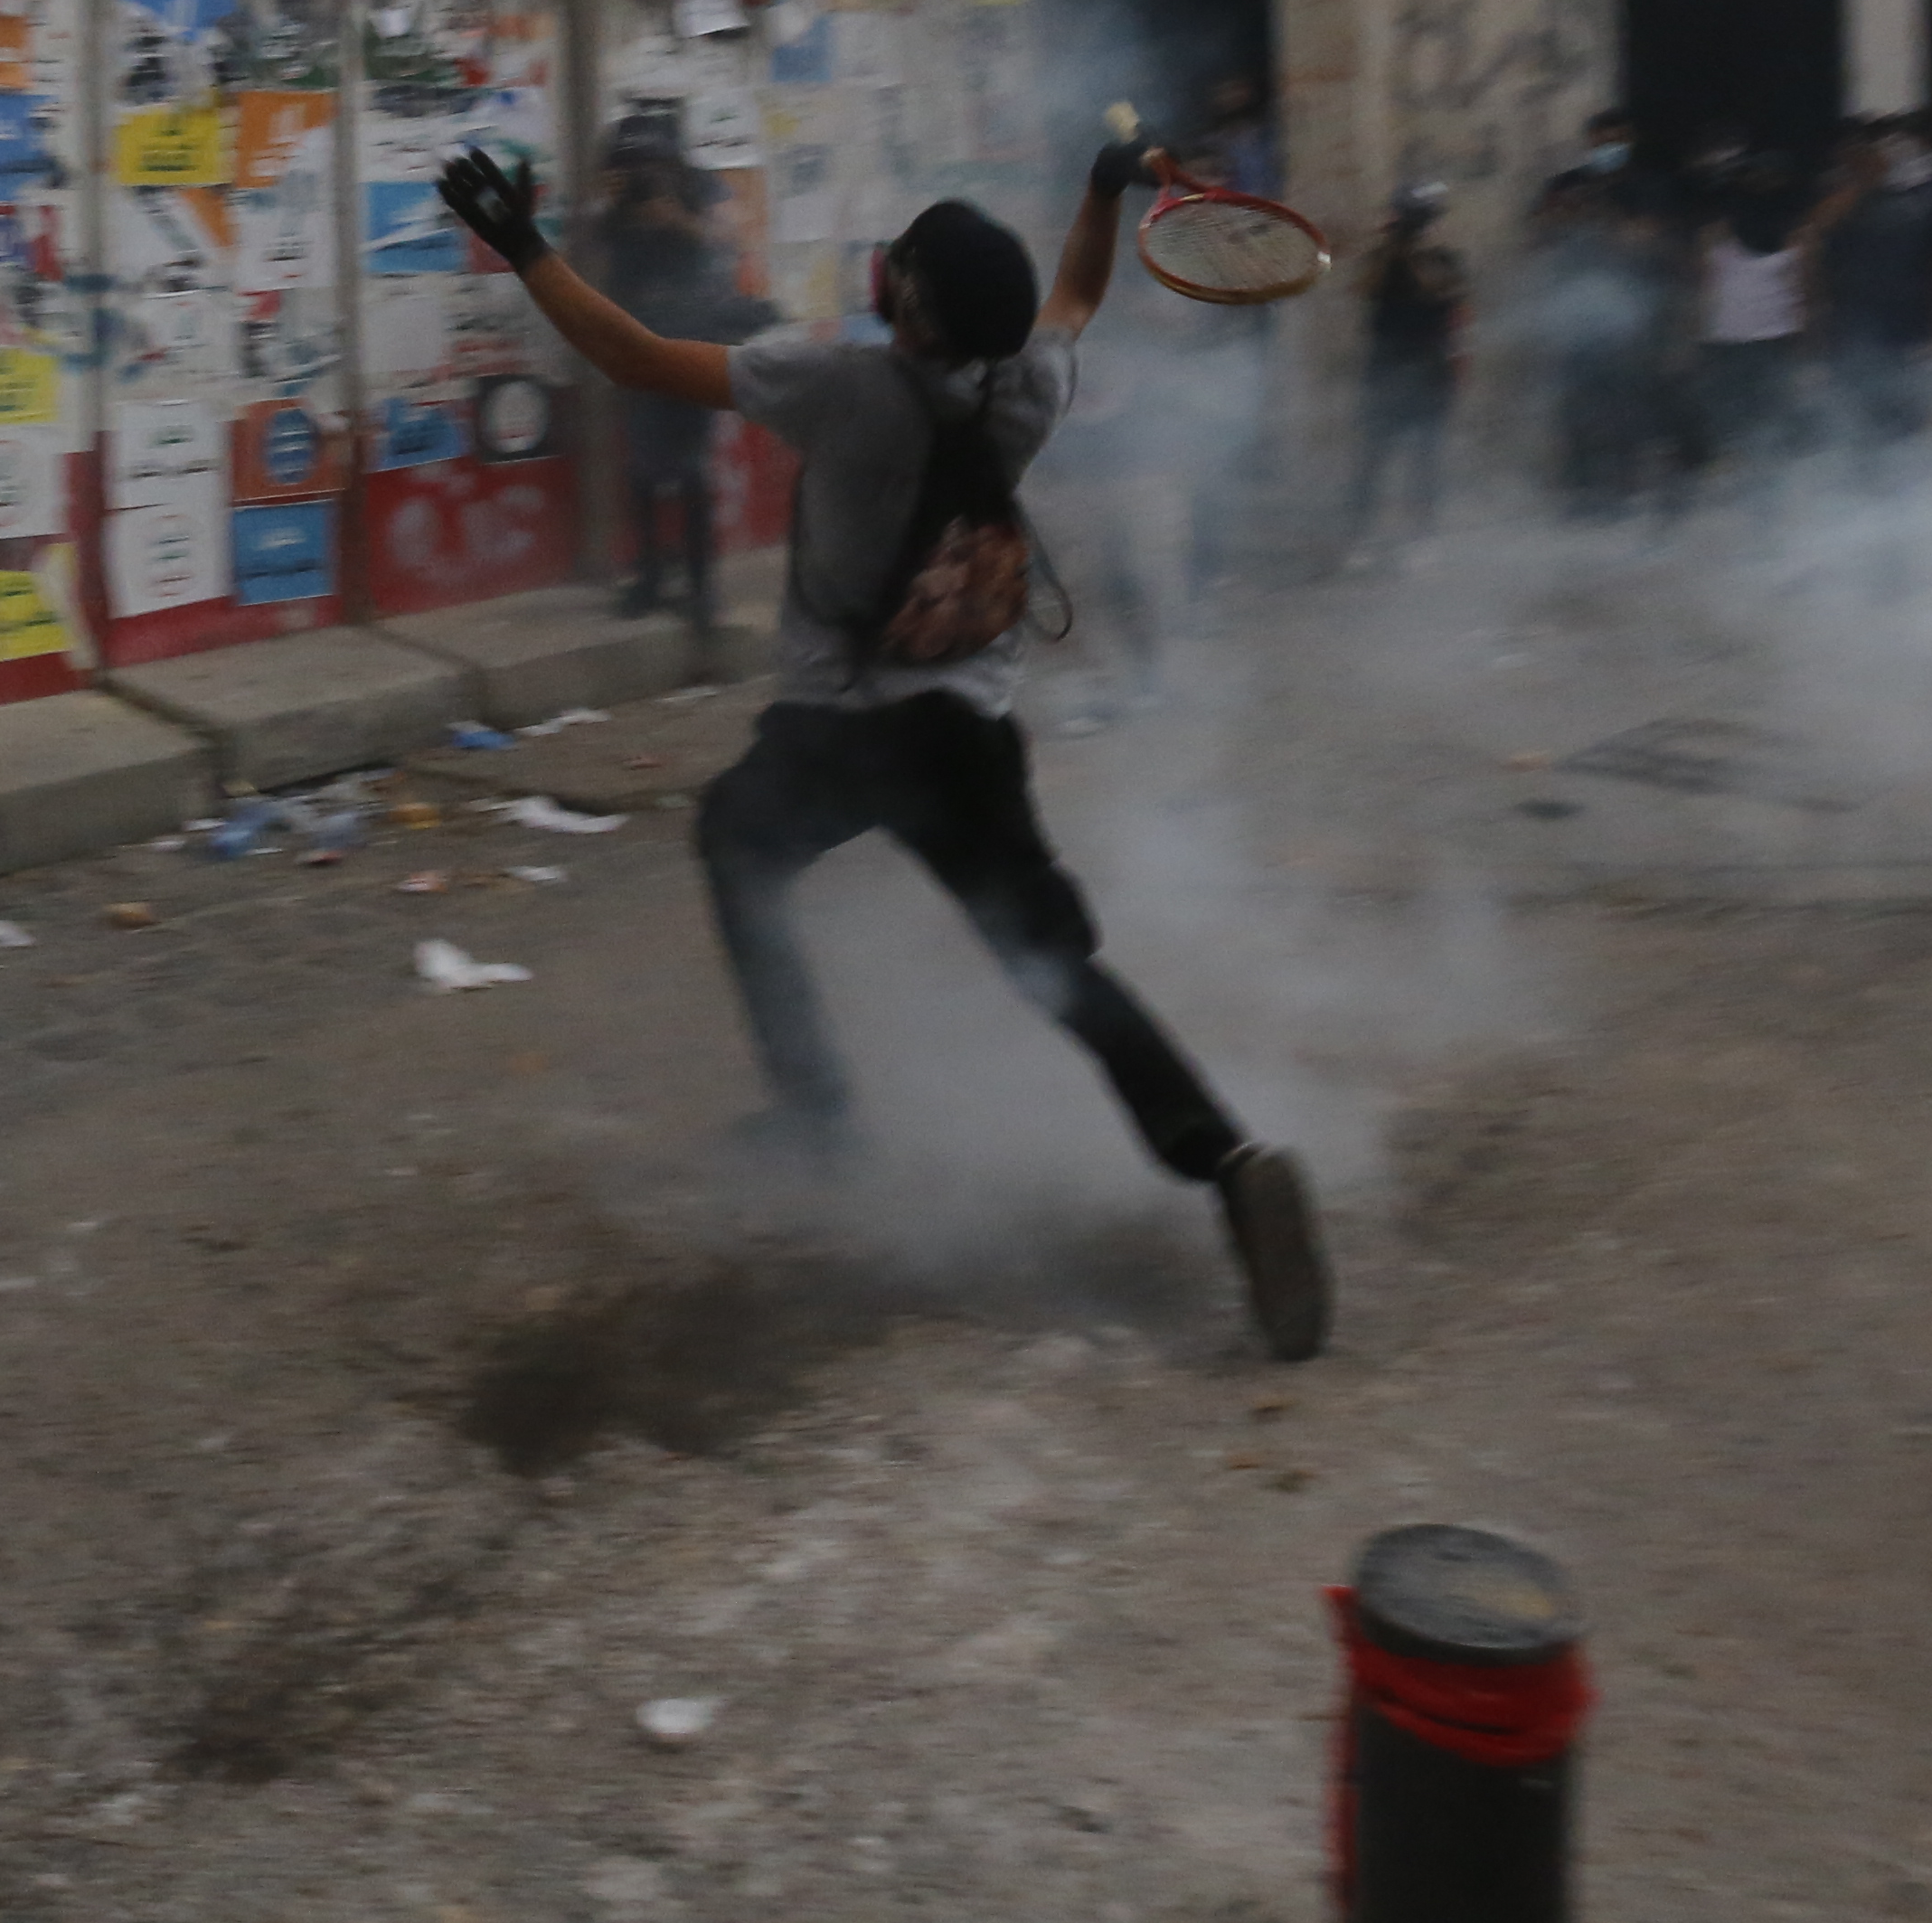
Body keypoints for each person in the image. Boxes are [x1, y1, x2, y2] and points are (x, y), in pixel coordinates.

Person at [429, 136, 1334, 1362]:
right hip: (969, 739)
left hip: (841, 736)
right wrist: (1102, 189)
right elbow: (1073, 296)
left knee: (737, 843)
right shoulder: (1030, 385)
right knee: (1058, 971)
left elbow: (631, 355)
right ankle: (1225, 1158)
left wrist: (523, 246)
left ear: (903, 303)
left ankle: (818, 1112)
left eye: (900, 263)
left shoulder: (834, 384)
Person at [585, 122, 761, 626]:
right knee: (641, 468)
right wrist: (617, 209)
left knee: (691, 469)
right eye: (626, 171)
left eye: (644, 169)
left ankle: (703, 587)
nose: (638, 178)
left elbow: (732, 236)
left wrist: (677, 219)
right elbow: (595, 254)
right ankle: (649, 580)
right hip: (639, 345)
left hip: (693, 341)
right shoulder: (616, 203)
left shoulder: (697, 186)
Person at [1516, 163, 1674, 519]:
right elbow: (1544, 276)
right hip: (1575, 346)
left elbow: (1643, 278)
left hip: (1617, 344)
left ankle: (1619, 491)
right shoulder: (1563, 243)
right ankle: (1582, 495)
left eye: (1581, 201)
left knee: (1619, 419)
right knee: (1576, 421)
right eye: (1569, 202)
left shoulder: (1616, 237)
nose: (1576, 208)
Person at [1816, 114, 1932, 450]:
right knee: (1855, 413)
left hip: (1913, 322)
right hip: (1854, 324)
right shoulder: (1845, 199)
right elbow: (1815, 246)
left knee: (1909, 413)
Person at [1690, 148, 1829, 486]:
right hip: (1725, 343)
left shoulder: (1801, 233)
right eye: (1755, 178)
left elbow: (1807, 294)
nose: (1763, 186)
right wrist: (1692, 339)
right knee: (1731, 428)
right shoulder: (1715, 233)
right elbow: (1702, 290)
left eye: (1771, 179)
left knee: (1774, 427)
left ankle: (1769, 497)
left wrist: (1811, 345)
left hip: (1776, 341)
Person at [1353, 183, 1471, 551]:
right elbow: (1363, 287)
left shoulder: (1444, 258)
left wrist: (1415, 252)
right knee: (1373, 455)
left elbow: (1440, 289)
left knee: (1426, 454)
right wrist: (1392, 250)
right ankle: (1362, 534)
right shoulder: (1382, 256)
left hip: (1428, 363)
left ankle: (1422, 534)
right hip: (1386, 361)